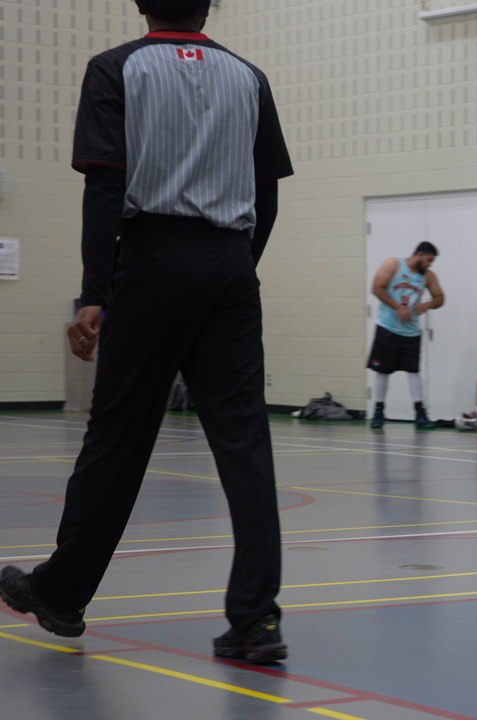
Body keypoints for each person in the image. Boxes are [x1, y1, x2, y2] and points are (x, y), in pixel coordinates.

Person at [0, 0, 291, 663]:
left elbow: (105, 189)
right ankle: (257, 622)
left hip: (151, 260)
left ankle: (61, 593)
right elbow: (267, 192)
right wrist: (235, 267)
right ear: (208, 5)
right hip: (230, 266)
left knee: (118, 438)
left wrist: (95, 294)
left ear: (140, 3)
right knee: (245, 446)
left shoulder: (115, 68)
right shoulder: (249, 77)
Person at [366, 241, 446, 430]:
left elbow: (440, 297)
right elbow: (377, 288)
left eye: (432, 262)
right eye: (428, 260)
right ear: (419, 254)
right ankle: (378, 411)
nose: (429, 265)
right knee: (382, 370)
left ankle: (420, 412)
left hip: (411, 331)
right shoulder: (393, 264)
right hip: (387, 327)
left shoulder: (428, 276)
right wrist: (398, 307)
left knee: (413, 371)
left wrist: (427, 305)